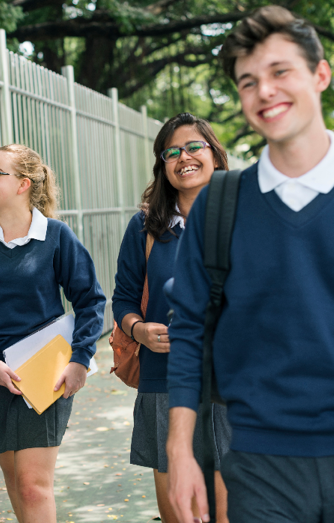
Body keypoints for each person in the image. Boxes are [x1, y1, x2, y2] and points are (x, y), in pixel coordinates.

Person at [166, 6, 334, 523]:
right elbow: (188, 329)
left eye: (281, 72)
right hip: (260, 458)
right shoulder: (218, 205)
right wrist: (180, 450)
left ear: (320, 74)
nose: (265, 91)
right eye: (248, 82)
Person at [0, 144, 106, 523]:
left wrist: (79, 360)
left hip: (43, 377)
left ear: (23, 184)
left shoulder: (56, 236)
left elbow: (90, 300)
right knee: (14, 480)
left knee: (33, 485)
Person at [112, 113, 231, 523]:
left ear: (215, 153)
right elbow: (123, 299)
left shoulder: (243, 218)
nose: (184, 156)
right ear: (163, 165)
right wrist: (139, 330)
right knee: (179, 511)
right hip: (164, 379)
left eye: (194, 146)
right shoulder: (145, 227)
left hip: (231, 381)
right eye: (172, 151)